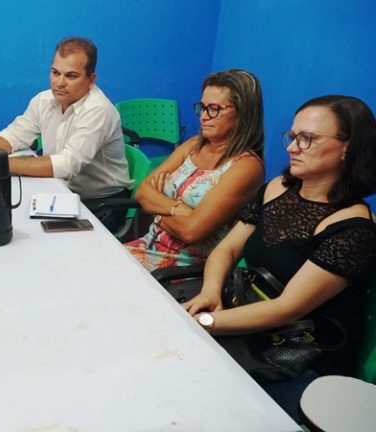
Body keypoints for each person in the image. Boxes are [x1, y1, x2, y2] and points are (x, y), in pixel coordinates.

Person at [184, 95, 376, 420]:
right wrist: (210, 293)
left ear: (347, 148)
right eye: (292, 136)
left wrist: (204, 322)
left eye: (307, 139)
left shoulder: (353, 228)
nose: (292, 148)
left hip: (298, 355)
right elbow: (227, 249)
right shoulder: (277, 188)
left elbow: (288, 309)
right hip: (247, 323)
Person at [0, 36, 132, 232]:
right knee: (11, 218)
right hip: (62, 191)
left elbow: (67, 164)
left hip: (102, 203)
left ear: (91, 79)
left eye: (71, 76)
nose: (60, 83)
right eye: (55, 73)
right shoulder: (43, 100)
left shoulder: (98, 110)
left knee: (34, 234)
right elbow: (14, 134)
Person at [125, 69, 265, 271]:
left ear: (242, 114)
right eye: (202, 107)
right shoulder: (193, 145)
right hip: (147, 246)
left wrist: (156, 211)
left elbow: (191, 232)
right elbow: (143, 192)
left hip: (183, 267)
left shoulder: (246, 167)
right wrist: (178, 209)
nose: (204, 117)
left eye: (214, 109)